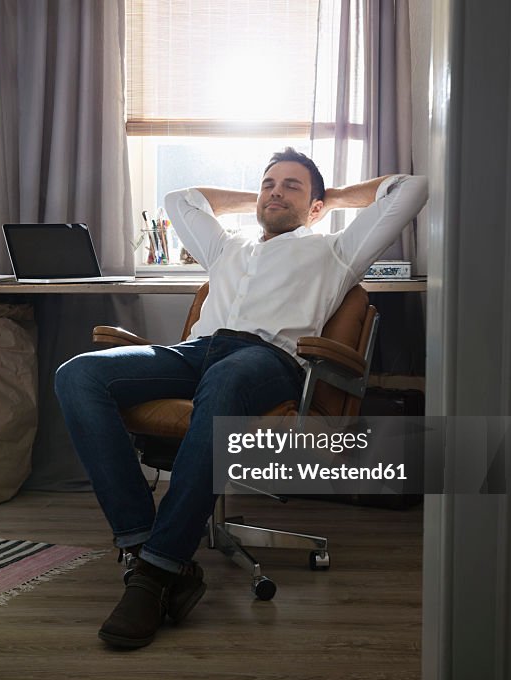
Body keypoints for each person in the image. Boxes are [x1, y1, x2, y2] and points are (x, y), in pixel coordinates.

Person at [54, 148, 428, 648]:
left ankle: (156, 573)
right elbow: (179, 199)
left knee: (228, 377)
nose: (276, 192)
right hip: (195, 354)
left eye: (291, 186)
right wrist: (270, 195)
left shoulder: (336, 250)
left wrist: (331, 195)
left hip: (266, 360)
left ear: (317, 207)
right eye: (268, 184)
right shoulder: (226, 247)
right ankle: (144, 543)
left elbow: (412, 189)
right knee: (78, 374)